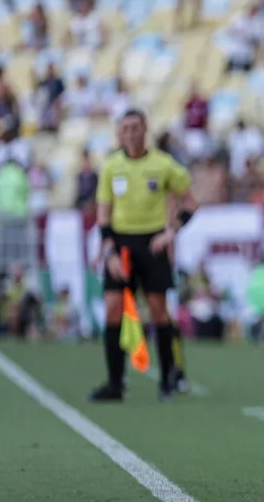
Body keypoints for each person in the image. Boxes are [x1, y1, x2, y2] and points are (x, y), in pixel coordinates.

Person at [90, 109, 197, 402]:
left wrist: (171, 232)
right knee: (114, 307)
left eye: (135, 127)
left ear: (145, 129)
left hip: (152, 242)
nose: (130, 133)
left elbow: (190, 201)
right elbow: (103, 214)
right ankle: (115, 383)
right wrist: (109, 251)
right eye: (125, 128)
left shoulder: (163, 165)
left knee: (158, 309)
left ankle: (167, 380)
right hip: (121, 243)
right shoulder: (111, 166)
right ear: (118, 133)